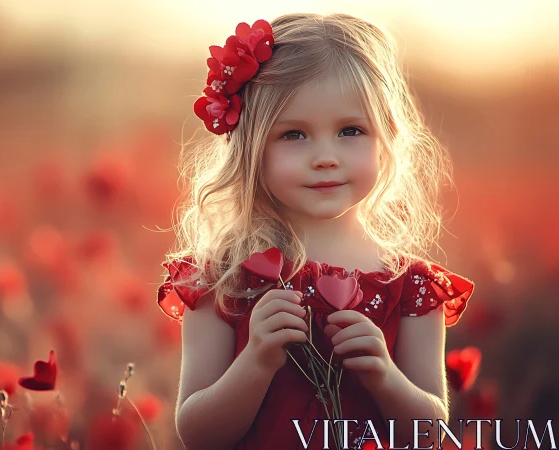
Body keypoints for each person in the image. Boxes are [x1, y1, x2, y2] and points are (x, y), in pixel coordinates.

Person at [156, 12, 476, 450]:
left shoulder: (411, 287)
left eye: (350, 130)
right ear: (251, 147)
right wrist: (256, 361)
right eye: (294, 135)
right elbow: (197, 435)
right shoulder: (221, 278)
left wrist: (384, 377)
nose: (325, 156)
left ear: (385, 140)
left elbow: (431, 435)